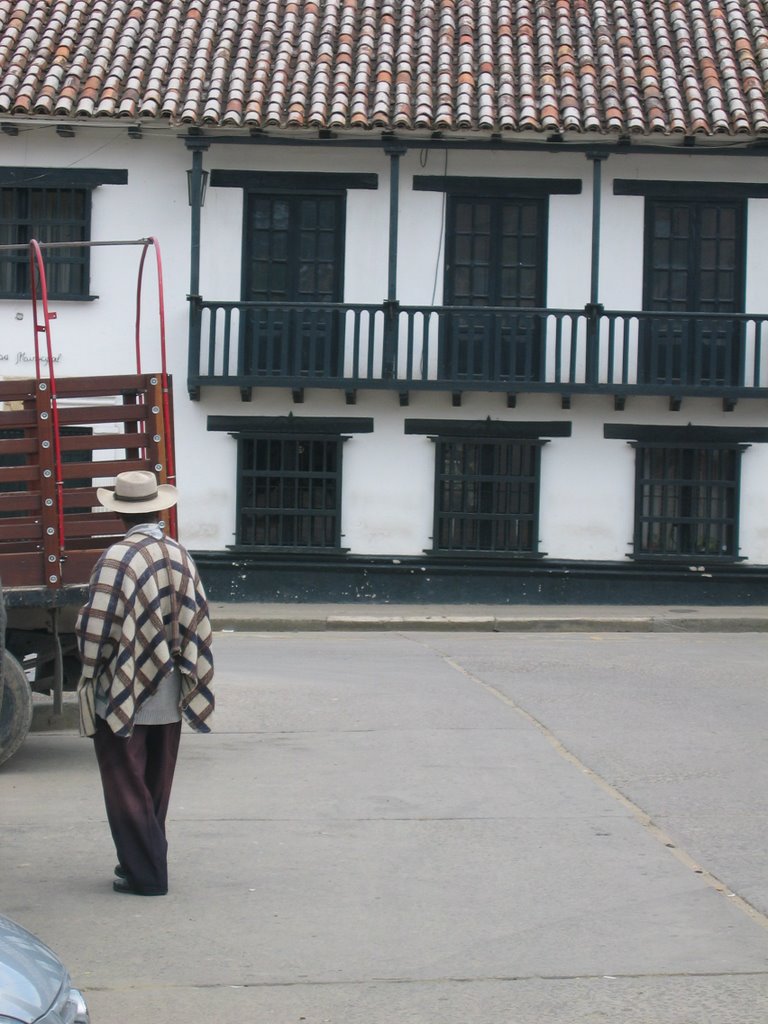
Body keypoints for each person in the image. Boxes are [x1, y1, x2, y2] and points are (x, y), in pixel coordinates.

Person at [76, 470, 214, 896]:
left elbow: (95, 628)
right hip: (171, 685)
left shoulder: (116, 558)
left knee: (123, 781)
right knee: (155, 780)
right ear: (159, 509)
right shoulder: (180, 554)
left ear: (120, 515)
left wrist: (90, 668)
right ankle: (139, 862)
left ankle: (147, 874)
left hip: (124, 685)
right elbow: (198, 620)